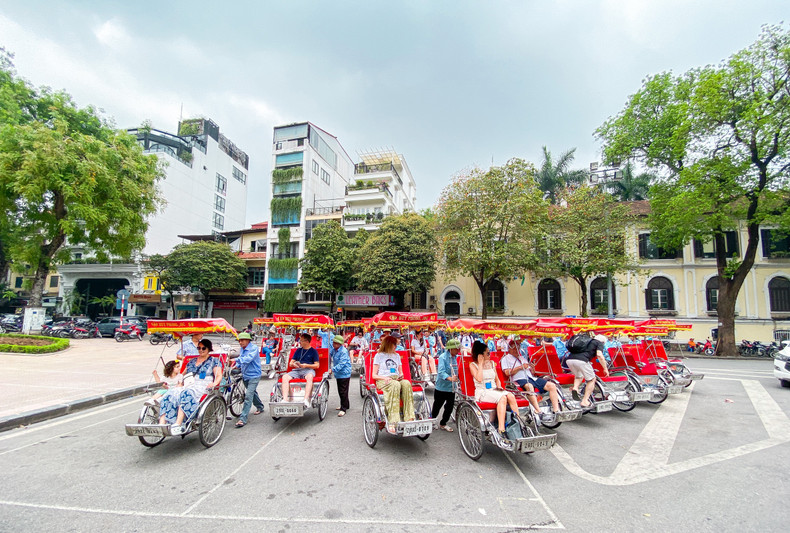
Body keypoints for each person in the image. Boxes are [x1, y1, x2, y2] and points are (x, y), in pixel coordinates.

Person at [158, 338, 222, 433]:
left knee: (186, 393)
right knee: (170, 393)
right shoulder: (192, 361)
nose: (200, 350)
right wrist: (178, 383)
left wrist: (214, 383)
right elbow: (182, 375)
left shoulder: (214, 361)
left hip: (203, 384)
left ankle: (178, 423)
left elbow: (219, 375)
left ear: (208, 349)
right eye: (199, 348)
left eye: (203, 348)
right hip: (190, 383)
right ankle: (162, 424)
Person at [469, 340, 522, 440]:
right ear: (481, 355)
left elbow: (497, 379)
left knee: (511, 396)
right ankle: (501, 429)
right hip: (482, 391)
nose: (490, 355)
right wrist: (480, 364)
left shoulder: (492, 363)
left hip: (494, 389)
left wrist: (499, 386)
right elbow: (479, 378)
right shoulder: (473, 365)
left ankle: (518, 422)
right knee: (502, 398)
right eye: (487, 353)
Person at [501, 341, 561, 423]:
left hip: (531, 377)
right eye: (514, 348)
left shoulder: (522, 358)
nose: (516, 350)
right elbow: (507, 373)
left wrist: (532, 368)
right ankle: (538, 410)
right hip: (519, 379)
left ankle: (556, 411)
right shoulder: (506, 359)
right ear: (509, 349)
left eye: (517, 348)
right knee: (529, 387)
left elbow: (531, 372)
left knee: (552, 385)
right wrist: (520, 367)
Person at [372, 335, 415, 433]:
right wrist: (385, 377)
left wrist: (401, 375)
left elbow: (400, 372)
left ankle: (409, 417)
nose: (396, 346)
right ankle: (393, 421)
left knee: (407, 383)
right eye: (394, 344)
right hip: (383, 380)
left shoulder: (396, 356)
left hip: (396, 379)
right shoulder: (379, 356)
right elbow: (374, 375)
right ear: (388, 344)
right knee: (395, 384)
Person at [566, 334, 610, 409]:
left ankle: (575, 388)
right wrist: (605, 368)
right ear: (603, 342)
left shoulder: (586, 341)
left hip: (570, 360)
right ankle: (585, 401)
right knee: (591, 379)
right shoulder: (598, 343)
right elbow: (599, 355)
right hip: (582, 361)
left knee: (579, 376)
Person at [234, 332, 265, 428]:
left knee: (248, 396)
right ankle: (260, 406)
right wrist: (236, 365)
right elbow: (241, 359)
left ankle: (243, 419)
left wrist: (236, 360)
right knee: (252, 393)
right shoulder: (242, 349)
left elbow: (247, 359)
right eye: (239, 341)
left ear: (248, 340)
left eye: (242, 340)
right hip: (245, 375)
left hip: (254, 375)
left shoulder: (254, 349)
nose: (240, 342)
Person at [282, 333, 320, 408]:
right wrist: (294, 364)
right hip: (297, 369)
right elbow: (291, 363)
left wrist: (305, 365)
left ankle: (306, 399)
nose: (300, 342)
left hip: (308, 369)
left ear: (307, 341)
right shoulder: (298, 350)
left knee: (309, 377)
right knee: (285, 377)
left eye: (301, 341)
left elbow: (317, 365)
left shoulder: (313, 351)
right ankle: (285, 399)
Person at [433, 338, 460, 431]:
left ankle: (443, 423)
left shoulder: (457, 358)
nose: (458, 351)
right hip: (441, 387)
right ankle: (432, 421)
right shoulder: (443, 357)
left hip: (451, 388)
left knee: (449, 407)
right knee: (437, 406)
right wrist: (450, 378)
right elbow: (441, 372)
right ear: (451, 349)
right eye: (456, 349)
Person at [330, 335, 352, 416]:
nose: (333, 344)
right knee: (341, 390)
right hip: (339, 373)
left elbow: (342, 364)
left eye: (335, 343)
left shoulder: (343, 351)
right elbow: (329, 354)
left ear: (339, 344)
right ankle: (346, 404)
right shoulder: (334, 350)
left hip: (344, 373)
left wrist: (332, 369)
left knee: (343, 391)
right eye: (333, 343)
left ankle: (343, 408)